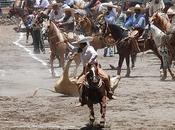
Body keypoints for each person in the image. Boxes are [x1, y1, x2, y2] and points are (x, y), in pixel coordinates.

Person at [72, 36, 115, 106]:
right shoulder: (81, 50)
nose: (79, 45)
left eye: (80, 44)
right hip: (85, 69)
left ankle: (109, 93)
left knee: (106, 77)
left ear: (83, 44)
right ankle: (81, 99)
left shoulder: (90, 49)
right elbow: (72, 48)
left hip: (94, 66)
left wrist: (89, 62)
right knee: (79, 82)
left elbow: (95, 54)